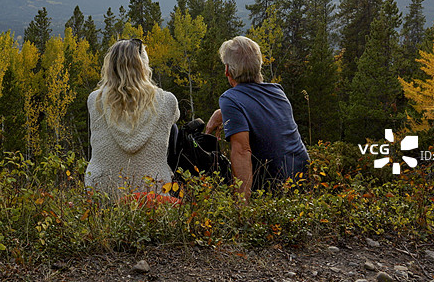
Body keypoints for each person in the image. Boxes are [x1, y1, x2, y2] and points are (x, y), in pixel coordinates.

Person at [205, 36, 310, 200]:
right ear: (258, 66)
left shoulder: (230, 98)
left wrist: (242, 207)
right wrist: (223, 113)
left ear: (227, 70)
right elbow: (258, 111)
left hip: (272, 188)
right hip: (303, 180)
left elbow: (241, 152)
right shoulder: (277, 91)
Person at [84, 38, 180, 198]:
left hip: (102, 193)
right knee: (172, 128)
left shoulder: (95, 100)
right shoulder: (167, 100)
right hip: (152, 192)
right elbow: (175, 118)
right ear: (143, 66)